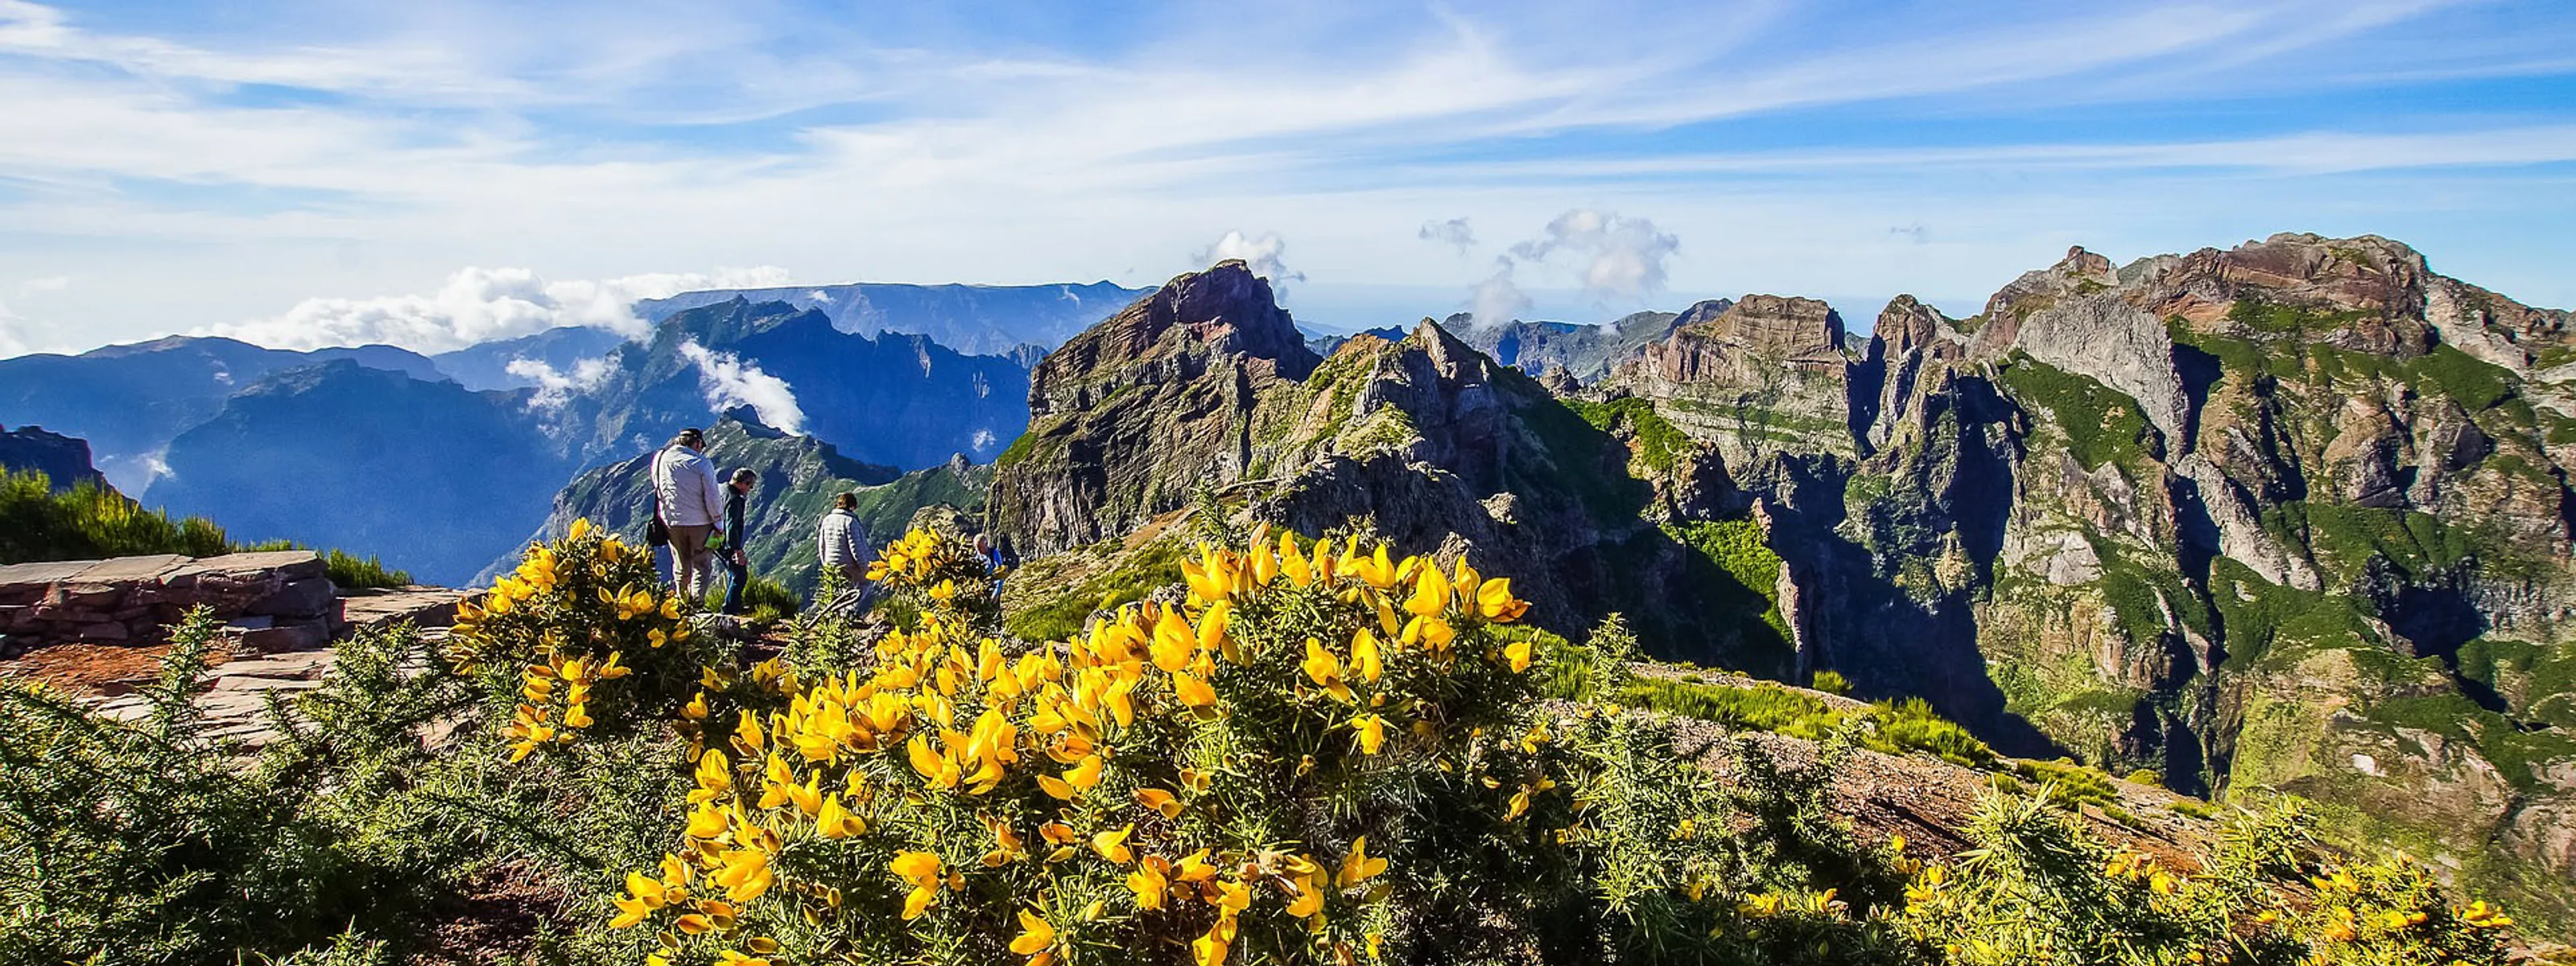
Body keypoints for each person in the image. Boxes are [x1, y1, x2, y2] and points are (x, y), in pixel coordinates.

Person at [651, 427, 726, 601]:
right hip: (699, 522)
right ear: (698, 443)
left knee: (680, 563)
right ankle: (697, 604)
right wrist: (719, 522)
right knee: (701, 563)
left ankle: (682, 602)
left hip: (671, 521)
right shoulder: (701, 462)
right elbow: (712, 495)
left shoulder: (660, 459)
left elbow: (657, 486)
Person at [818, 492, 871, 603]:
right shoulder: (850, 522)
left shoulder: (827, 520)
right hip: (848, 565)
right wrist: (865, 567)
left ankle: (835, 615)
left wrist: (825, 564)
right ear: (852, 506)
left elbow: (822, 544)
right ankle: (850, 611)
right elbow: (856, 547)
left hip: (830, 564)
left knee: (835, 592)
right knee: (864, 585)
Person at [718, 468, 758, 615]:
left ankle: (730, 607)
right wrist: (736, 549)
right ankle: (729, 611)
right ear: (743, 483)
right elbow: (732, 524)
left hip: (715, 538)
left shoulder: (721, 489)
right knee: (740, 576)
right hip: (728, 543)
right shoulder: (735, 499)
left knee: (732, 572)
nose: (750, 489)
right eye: (750, 485)